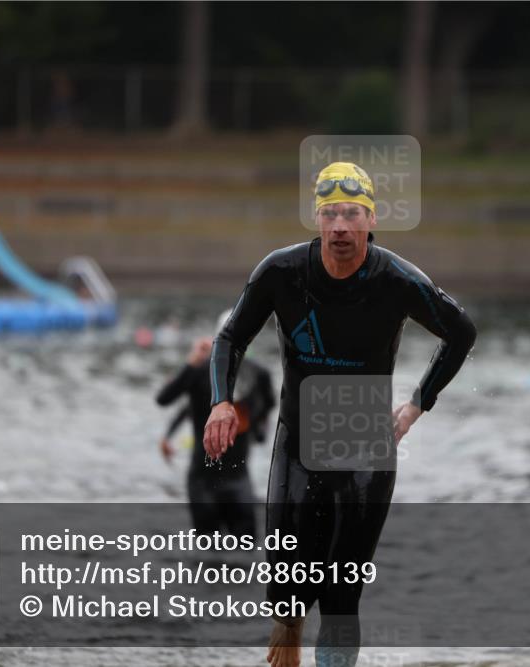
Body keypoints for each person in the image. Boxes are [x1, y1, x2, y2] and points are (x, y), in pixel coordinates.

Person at [203, 162, 477, 667]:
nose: (340, 228)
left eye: (351, 215)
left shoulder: (396, 280)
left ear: (370, 221)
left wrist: (418, 403)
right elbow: (230, 337)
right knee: (286, 587)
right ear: (317, 218)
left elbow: (461, 333)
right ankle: (287, 628)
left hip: (366, 446)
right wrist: (221, 400)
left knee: (341, 594)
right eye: (330, 214)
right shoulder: (282, 272)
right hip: (298, 441)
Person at [157, 310, 275, 537]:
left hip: (239, 479)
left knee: (245, 552)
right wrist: (191, 362)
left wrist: (260, 430)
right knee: (208, 556)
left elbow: (268, 405)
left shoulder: (260, 375)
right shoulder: (201, 371)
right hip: (203, 480)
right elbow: (166, 400)